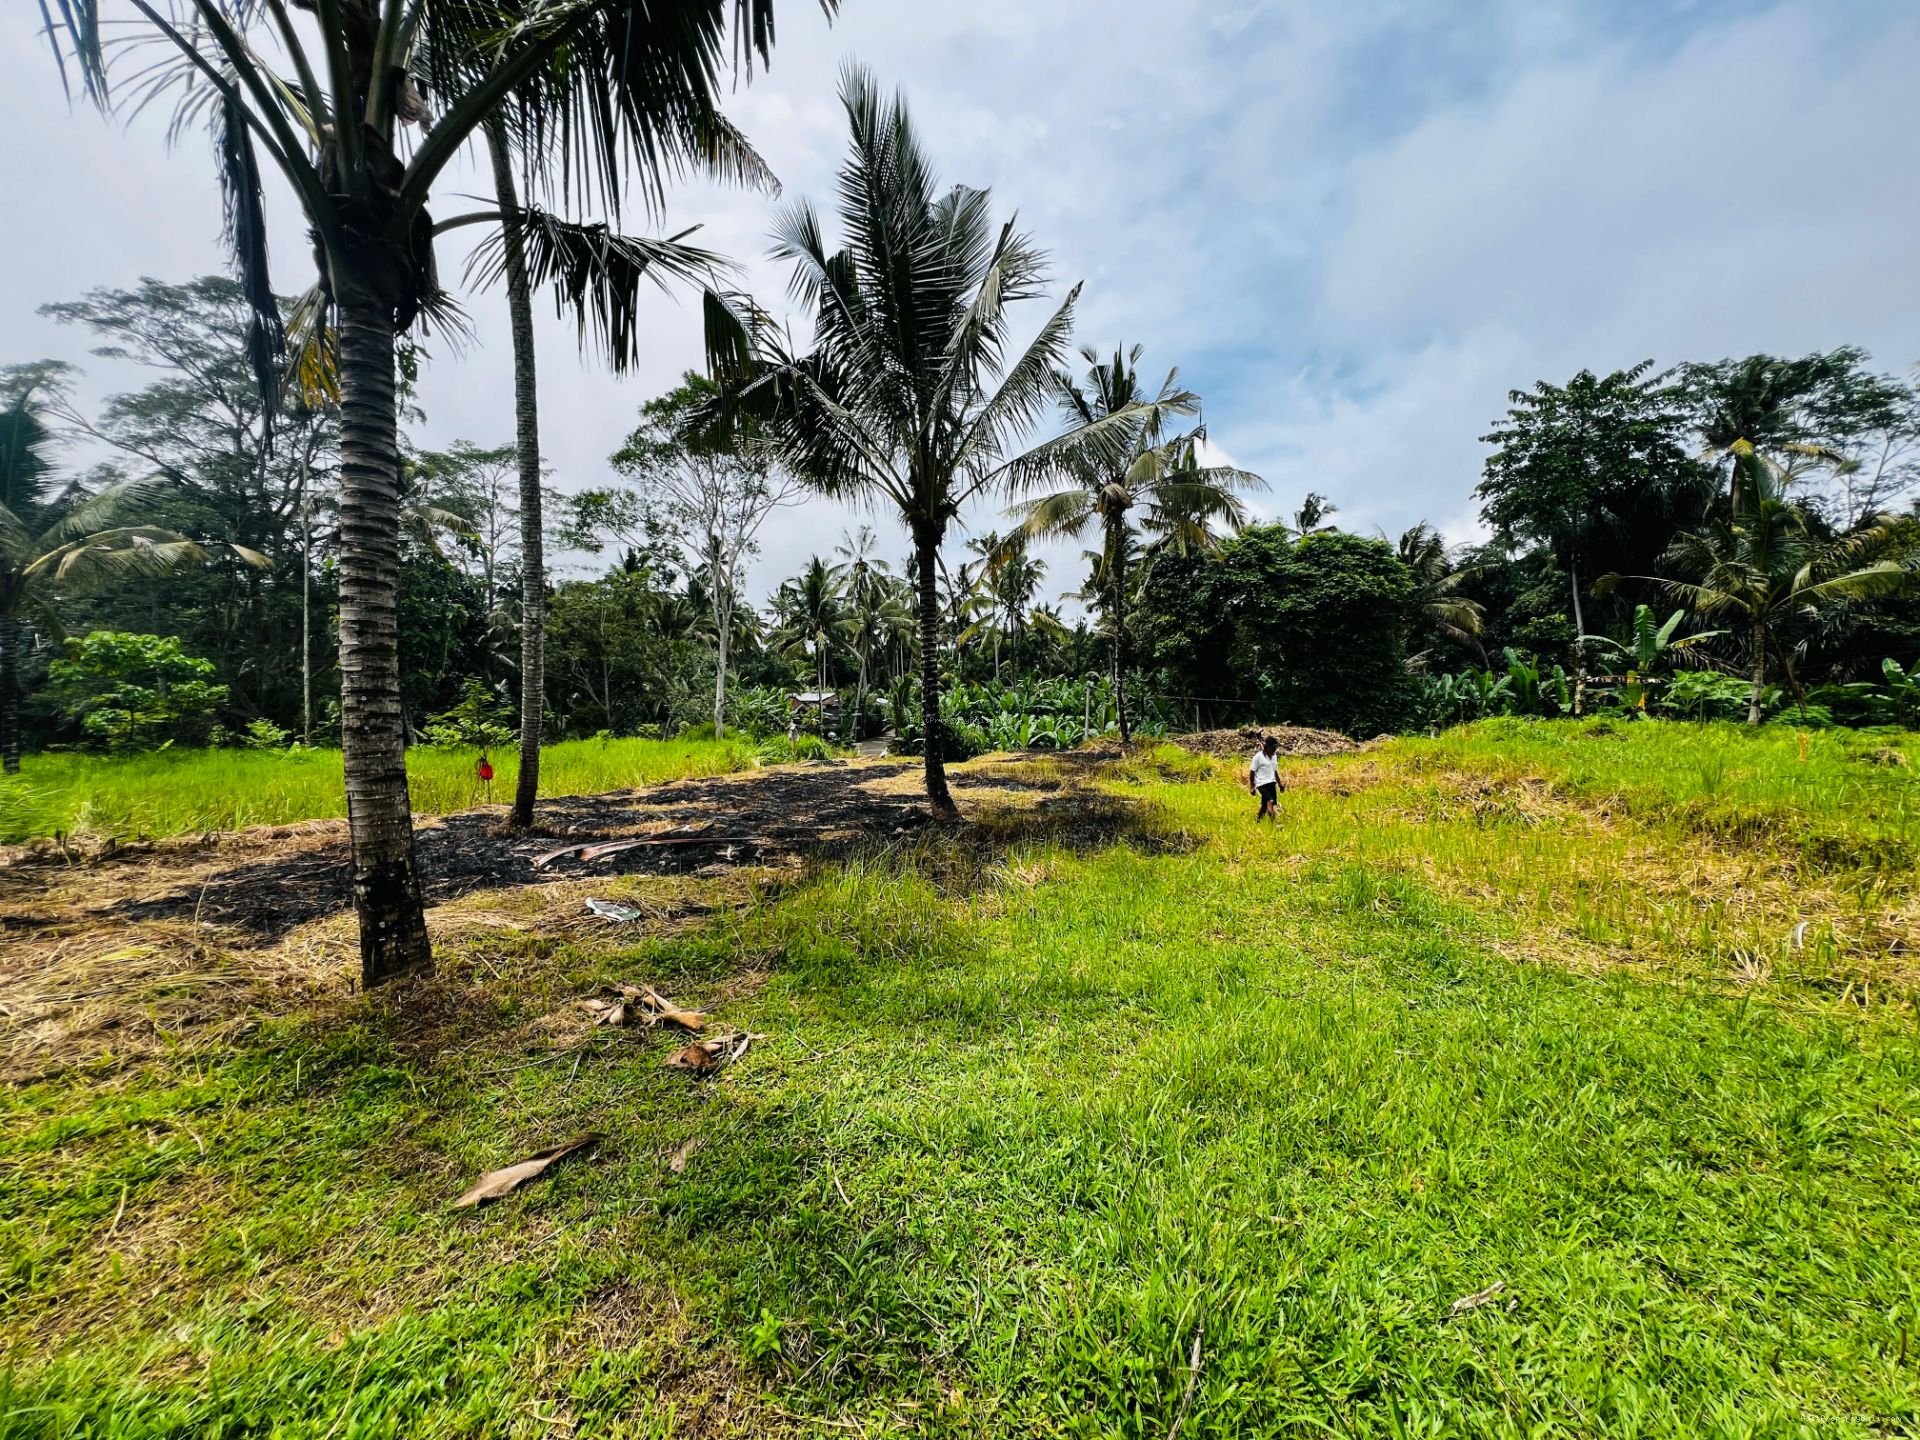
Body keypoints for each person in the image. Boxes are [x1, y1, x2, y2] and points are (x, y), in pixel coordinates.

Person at [1248, 735, 1281, 822]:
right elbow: (1252, 772)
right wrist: (1252, 786)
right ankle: (1274, 824)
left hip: (1272, 782)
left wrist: (1280, 783)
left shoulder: (1274, 756)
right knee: (1270, 802)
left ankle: (1257, 821)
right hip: (1262, 783)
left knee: (1264, 805)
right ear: (1268, 747)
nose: (1275, 750)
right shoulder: (1258, 757)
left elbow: (1275, 771)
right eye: (1274, 747)